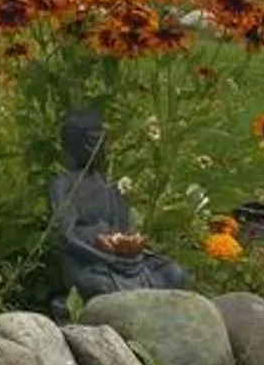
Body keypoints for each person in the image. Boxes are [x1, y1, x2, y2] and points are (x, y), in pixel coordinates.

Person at [49, 106, 188, 297]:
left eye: (102, 142)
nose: (101, 149)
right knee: (100, 287)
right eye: (93, 142)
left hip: (125, 263)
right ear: (75, 145)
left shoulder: (108, 183)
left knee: (174, 273)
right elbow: (66, 237)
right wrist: (104, 258)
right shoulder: (64, 184)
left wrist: (131, 248)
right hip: (90, 265)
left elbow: (126, 229)